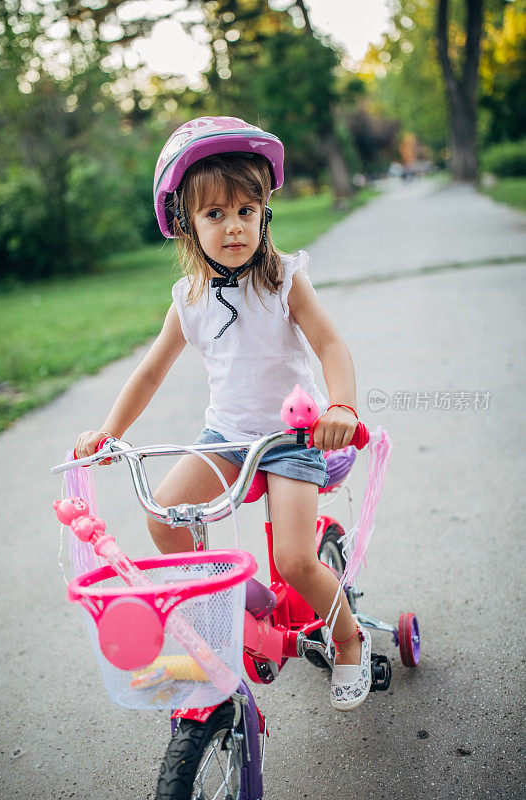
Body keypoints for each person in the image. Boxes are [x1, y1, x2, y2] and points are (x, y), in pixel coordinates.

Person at [75, 116, 372, 711]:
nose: (234, 226)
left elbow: (331, 347)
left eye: (247, 211)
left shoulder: (286, 279)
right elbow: (150, 372)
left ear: (265, 214)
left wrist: (341, 405)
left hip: (293, 438)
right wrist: (110, 433)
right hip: (228, 436)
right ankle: (238, 600)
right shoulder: (188, 300)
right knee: (163, 516)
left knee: (293, 560)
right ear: (187, 224)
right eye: (215, 214)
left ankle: (348, 640)